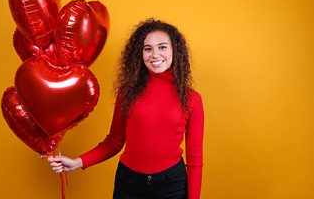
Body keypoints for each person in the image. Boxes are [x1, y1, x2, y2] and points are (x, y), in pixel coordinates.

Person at [48, 18, 204, 199]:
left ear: (175, 51)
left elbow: (195, 161)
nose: (155, 54)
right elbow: (114, 142)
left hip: (172, 185)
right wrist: (78, 162)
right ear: (139, 54)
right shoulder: (127, 93)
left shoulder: (191, 99)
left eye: (162, 47)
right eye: (147, 48)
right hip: (129, 183)